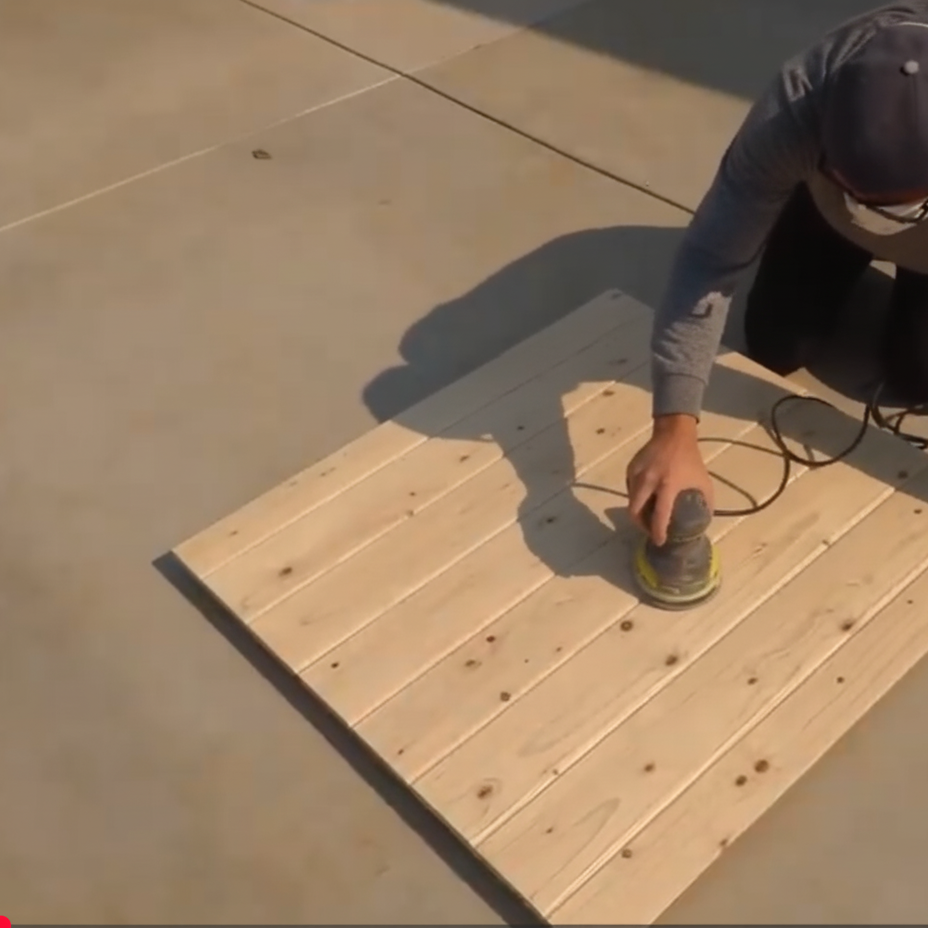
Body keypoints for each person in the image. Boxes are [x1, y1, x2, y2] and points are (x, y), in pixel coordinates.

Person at [627, 2, 928, 546]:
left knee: (919, 377)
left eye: (889, 208)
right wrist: (674, 428)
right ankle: (840, 225)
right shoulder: (798, 105)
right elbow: (709, 259)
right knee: (774, 341)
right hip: (824, 212)